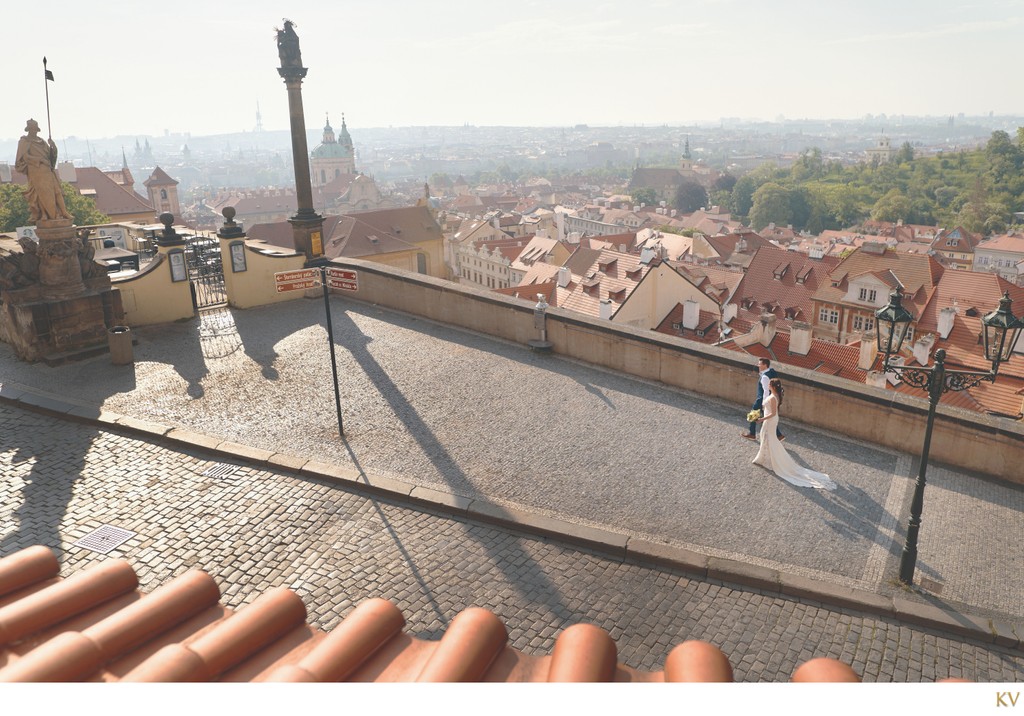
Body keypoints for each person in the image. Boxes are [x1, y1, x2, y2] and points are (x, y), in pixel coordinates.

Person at [752, 378, 836, 490]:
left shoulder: (773, 397)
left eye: (769, 384)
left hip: (770, 420)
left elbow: (772, 413)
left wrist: (761, 419)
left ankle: (769, 459)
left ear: (772, 386)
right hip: (771, 420)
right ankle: (765, 457)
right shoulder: (775, 395)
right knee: (767, 438)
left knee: (768, 438)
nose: (767, 386)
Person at [15, 119, 69, 222]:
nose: (34, 131)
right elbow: (25, 157)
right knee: (40, 194)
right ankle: (46, 214)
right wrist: (39, 160)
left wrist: (53, 147)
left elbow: (51, 157)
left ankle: (63, 212)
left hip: (47, 170)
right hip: (36, 171)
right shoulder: (24, 141)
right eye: (32, 129)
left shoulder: (42, 141)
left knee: (56, 191)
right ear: (28, 129)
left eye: (35, 129)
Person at [742, 357, 783, 441]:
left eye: (760, 364)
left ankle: (752, 433)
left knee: (753, 414)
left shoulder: (765, 377)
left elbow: (766, 391)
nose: (758, 365)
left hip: (762, 400)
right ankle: (779, 435)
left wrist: (764, 403)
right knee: (768, 416)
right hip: (773, 398)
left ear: (765, 365)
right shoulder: (771, 371)